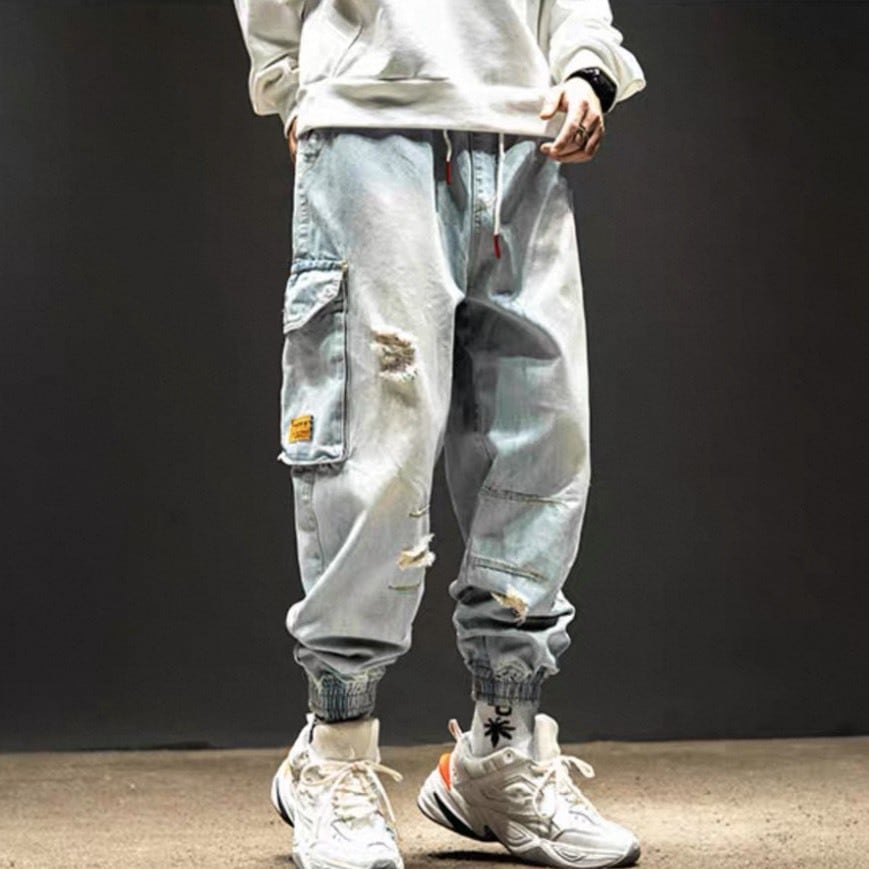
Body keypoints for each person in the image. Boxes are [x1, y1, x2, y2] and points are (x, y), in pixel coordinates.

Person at [232, 2, 647, 868]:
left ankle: (499, 748)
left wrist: (584, 65)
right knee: (373, 448)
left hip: (525, 129)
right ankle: (334, 750)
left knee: (540, 443)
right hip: (371, 115)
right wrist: (292, 82)